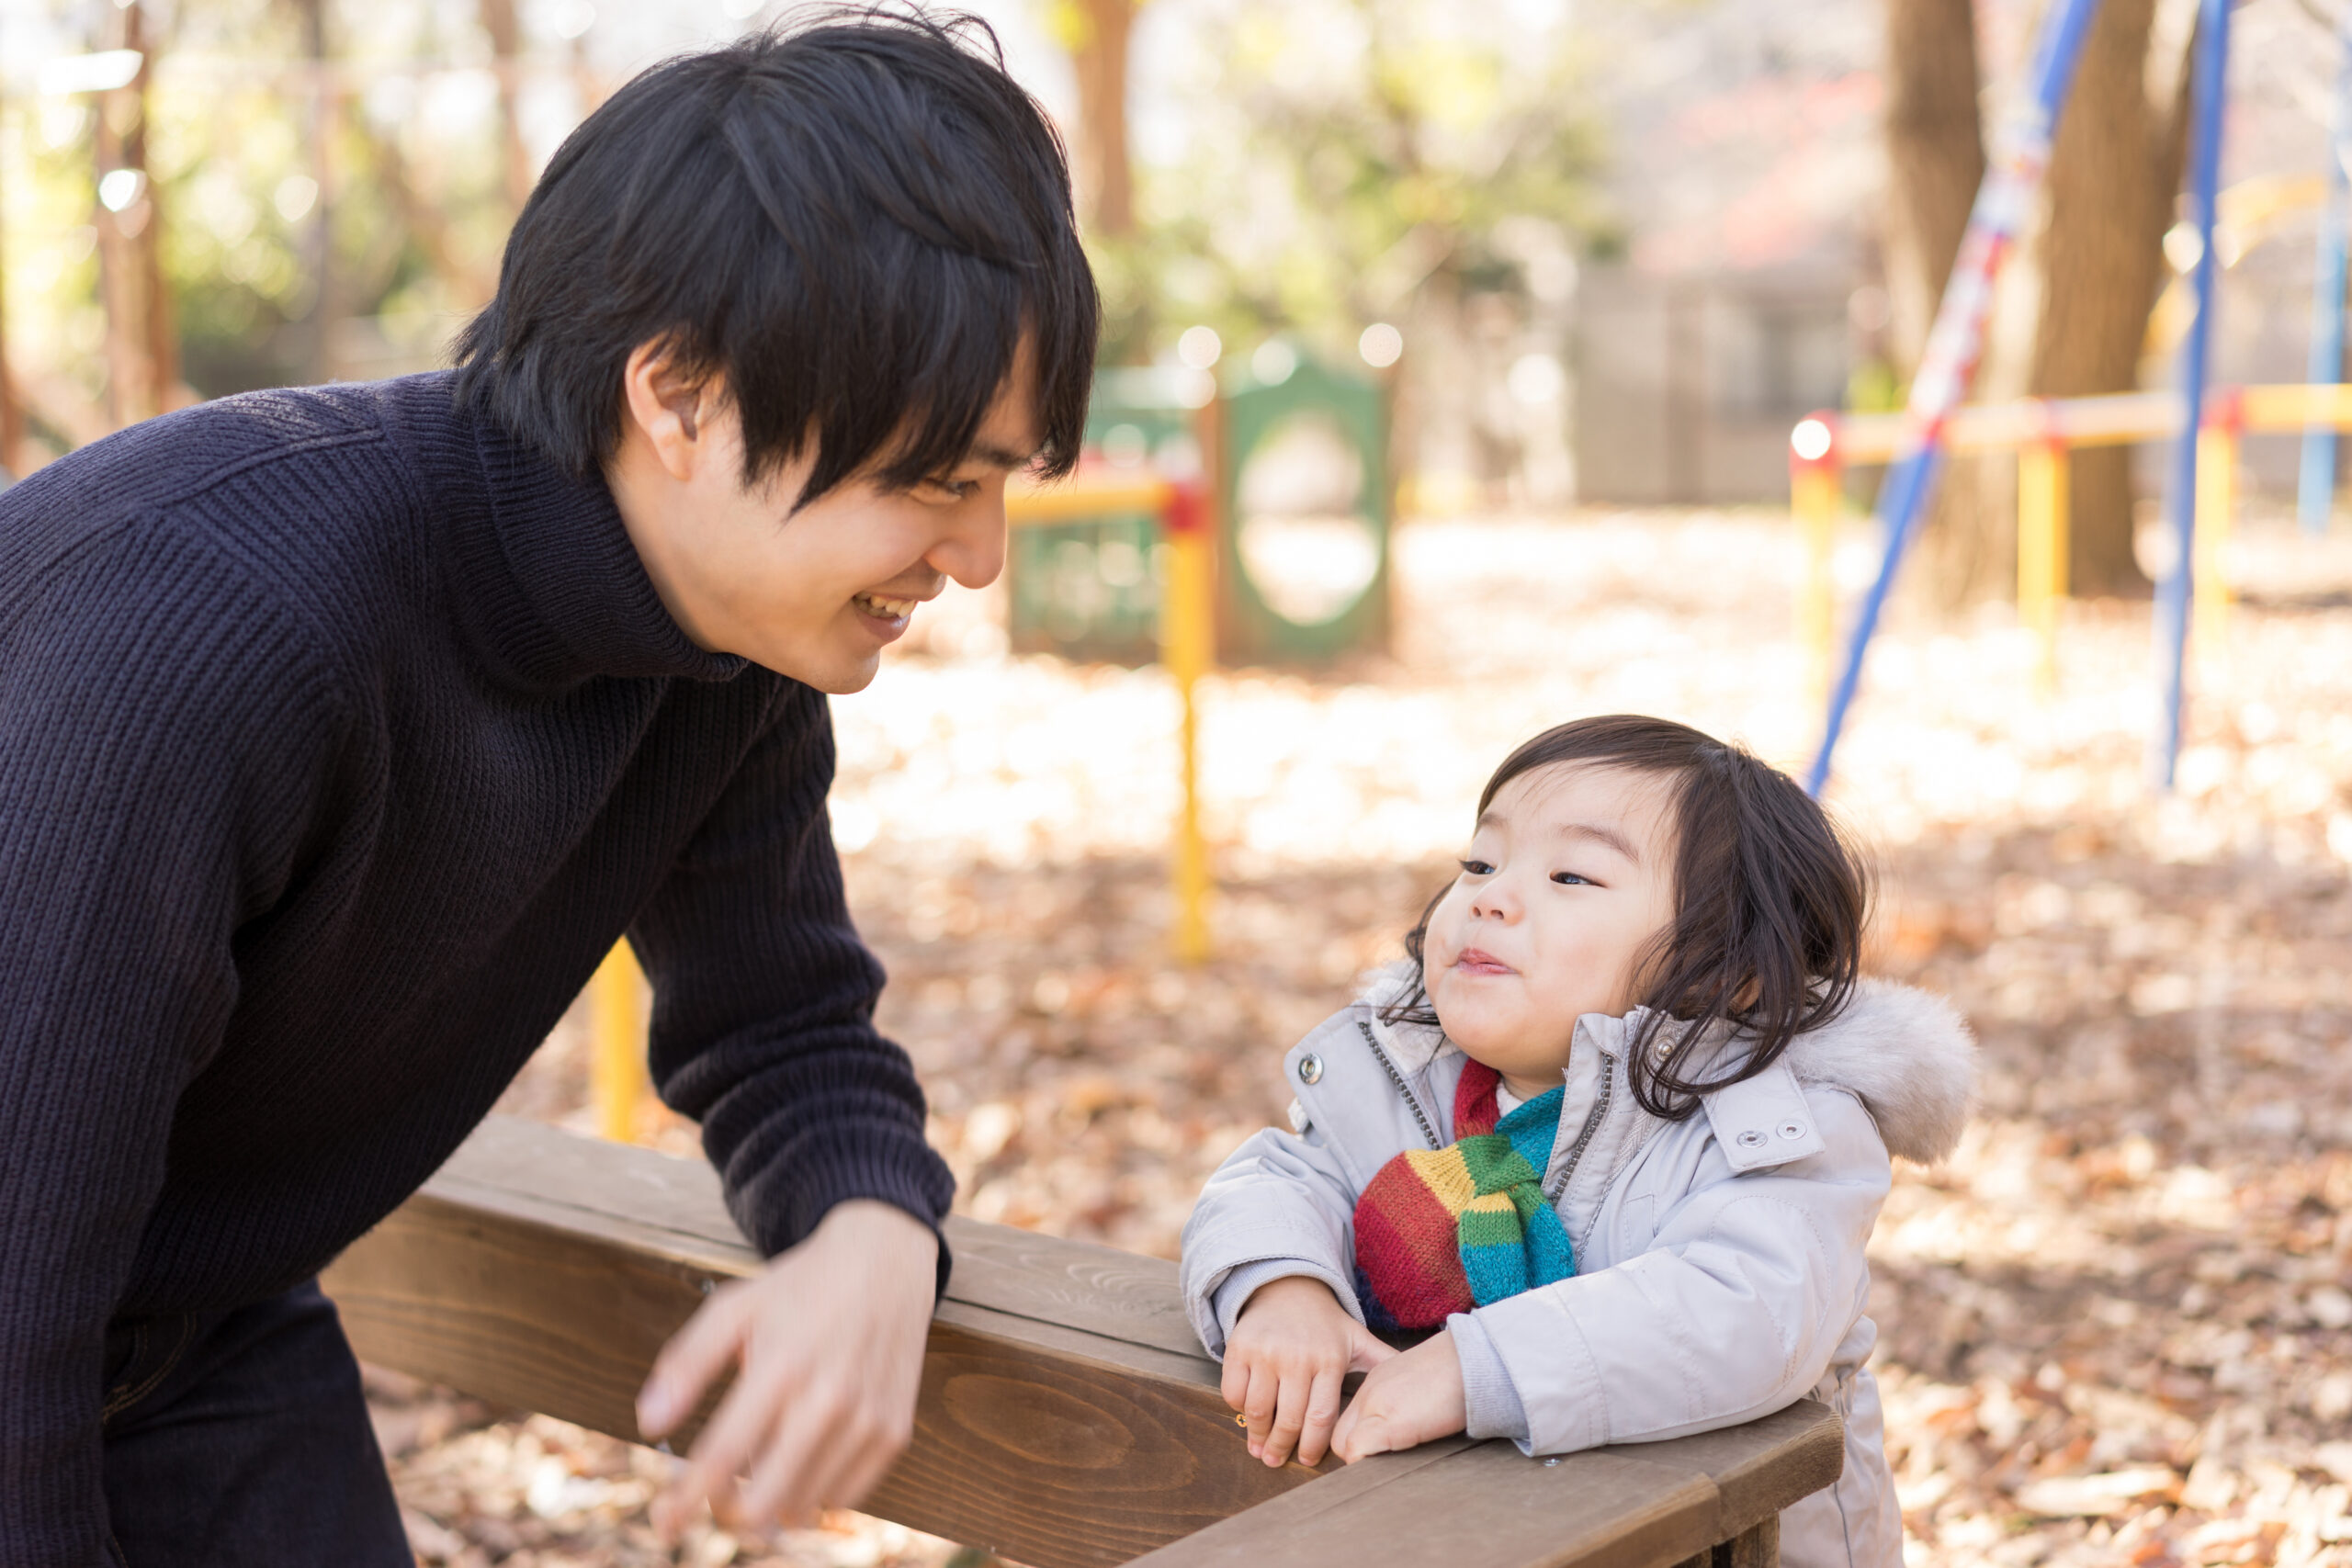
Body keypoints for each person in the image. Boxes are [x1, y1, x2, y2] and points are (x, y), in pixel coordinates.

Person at [0, 11, 1098, 1564]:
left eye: (1002, 484)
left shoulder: (724, 659)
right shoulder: (207, 624)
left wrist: (869, 1230)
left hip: (195, 1323)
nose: (979, 558)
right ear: (683, 395)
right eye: (941, 480)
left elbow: (780, 1020)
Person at [1178, 716, 1977, 1568]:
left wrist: (1477, 1367)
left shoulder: (1774, 1123)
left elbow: (1748, 1308)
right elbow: (1278, 1178)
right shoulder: (1410, 1072)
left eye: (1571, 874)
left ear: (1720, 971)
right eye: (1480, 863)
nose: (1491, 895)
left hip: (1730, 1540)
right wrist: (1283, 1289)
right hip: (1478, 1530)